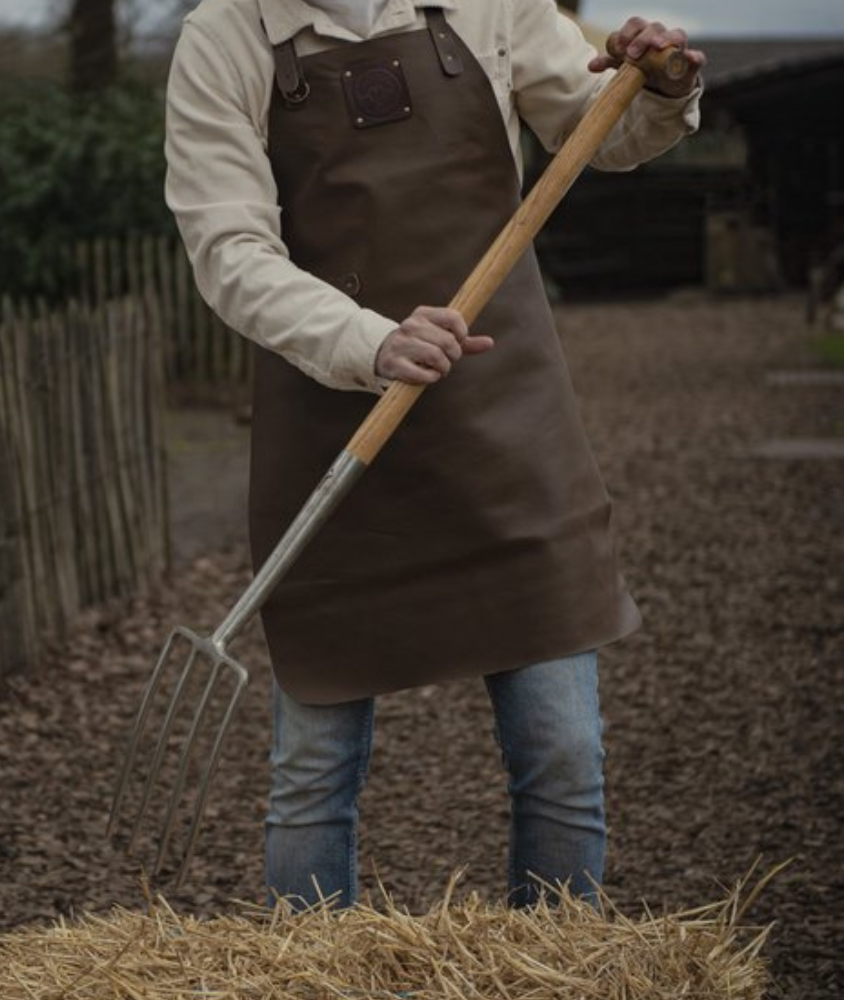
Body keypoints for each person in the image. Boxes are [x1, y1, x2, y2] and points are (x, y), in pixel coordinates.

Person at [164, 0, 705, 909]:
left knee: (562, 753)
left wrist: (659, 82)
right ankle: (315, 974)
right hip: (334, 429)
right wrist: (364, 340)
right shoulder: (225, 36)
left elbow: (599, 133)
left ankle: (553, 968)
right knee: (312, 775)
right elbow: (227, 247)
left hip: (507, 417)